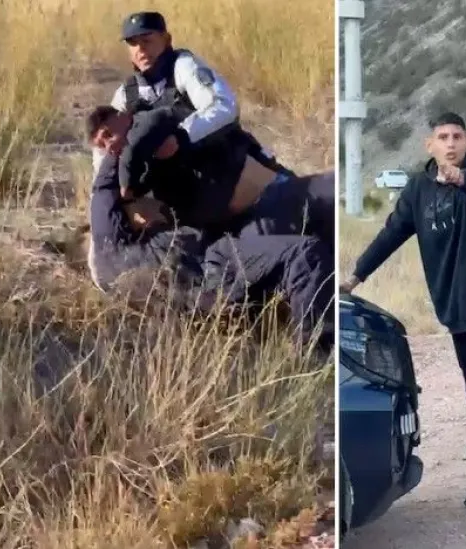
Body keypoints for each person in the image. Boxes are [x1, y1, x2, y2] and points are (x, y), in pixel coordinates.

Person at [339, 112, 466, 533]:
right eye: (443, 137)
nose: (451, 143)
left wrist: (459, 177)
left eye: (458, 136)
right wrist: (355, 277)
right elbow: (391, 233)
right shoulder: (418, 190)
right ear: (430, 144)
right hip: (457, 311)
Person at [88, 150, 333, 352]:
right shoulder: (112, 249)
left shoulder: (148, 242)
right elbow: (104, 186)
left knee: (310, 221)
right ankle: (314, 352)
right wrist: (125, 133)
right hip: (217, 275)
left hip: (222, 270)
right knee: (306, 255)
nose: (153, 201)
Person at [86, 105, 334, 243]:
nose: (110, 146)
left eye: (108, 134)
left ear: (123, 116)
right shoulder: (137, 167)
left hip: (270, 194)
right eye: (102, 145)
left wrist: (126, 185)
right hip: (240, 226)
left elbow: (138, 143)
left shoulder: (152, 123)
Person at [91, 11, 289, 179]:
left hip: (235, 169)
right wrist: (103, 188)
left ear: (166, 39)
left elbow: (224, 106)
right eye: (133, 43)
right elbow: (102, 149)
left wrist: (181, 137)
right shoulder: (126, 94)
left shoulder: (185, 67)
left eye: (147, 40)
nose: (140, 49)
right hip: (183, 187)